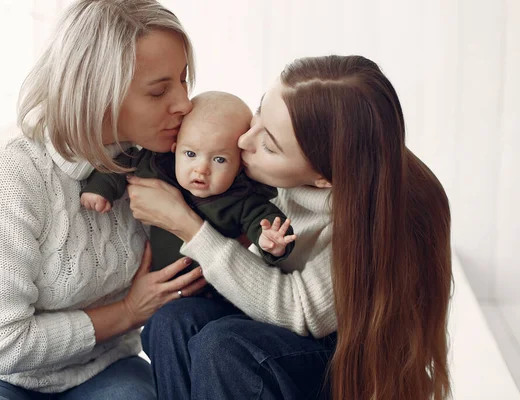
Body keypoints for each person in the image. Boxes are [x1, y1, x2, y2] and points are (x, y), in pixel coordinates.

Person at [0, 1, 207, 399]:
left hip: (103, 367)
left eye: (183, 80)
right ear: (96, 93)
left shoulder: (160, 159)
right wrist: (127, 312)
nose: (184, 103)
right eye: (159, 90)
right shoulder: (5, 169)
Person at [128, 55, 452, 400]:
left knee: (222, 346)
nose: (244, 141)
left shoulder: (379, 216)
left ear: (324, 177)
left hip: (341, 363)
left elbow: (301, 311)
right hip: (279, 331)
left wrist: (187, 226)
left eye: (269, 144)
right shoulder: (273, 167)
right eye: (259, 113)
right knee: (172, 322)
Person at [80, 91, 297, 276]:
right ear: (175, 150)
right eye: (190, 153)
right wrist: (101, 189)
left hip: (214, 294)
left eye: (219, 159)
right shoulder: (159, 166)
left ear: (240, 165)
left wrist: (272, 243)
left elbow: (265, 220)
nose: (201, 169)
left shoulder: (242, 197)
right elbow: (124, 162)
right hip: (160, 284)